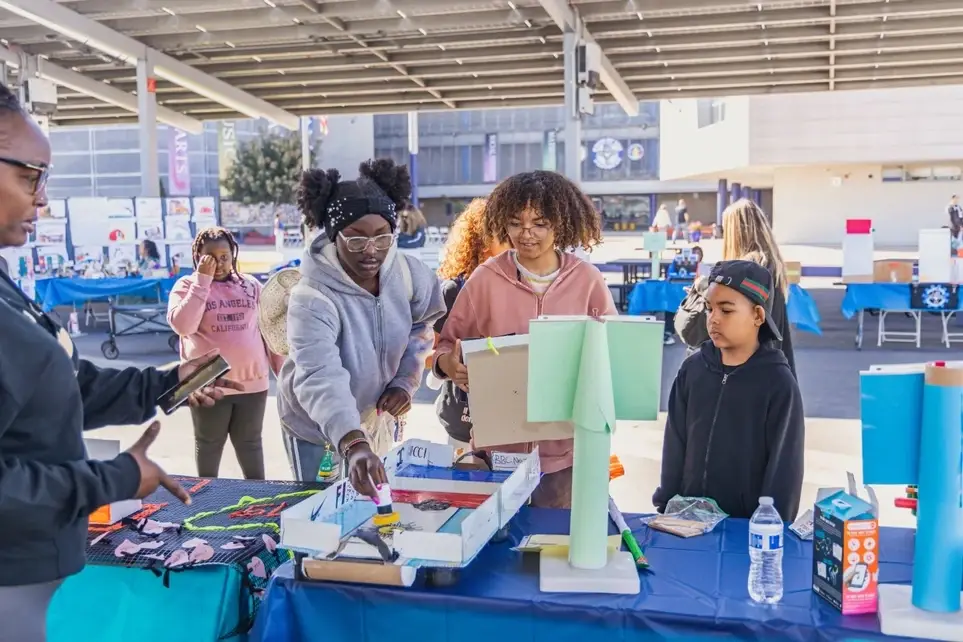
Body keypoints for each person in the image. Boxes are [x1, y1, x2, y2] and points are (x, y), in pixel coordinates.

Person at [0, 82, 239, 642]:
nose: (42, 199)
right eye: (30, 176)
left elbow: (58, 390)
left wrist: (161, 384)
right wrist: (111, 478)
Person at [432, 170, 616, 509]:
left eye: (540, 224)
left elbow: (614, 354)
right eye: (516, 223)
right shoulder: (484, 279)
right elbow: (445, 344)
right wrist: (449, 364)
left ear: (561, 223)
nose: (526, 234)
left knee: (555, 548)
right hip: (497, 452)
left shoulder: (587, 280)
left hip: (566, 454)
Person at [276, 159, 446, 495]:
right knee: (316, 513)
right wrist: (352, 442)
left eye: (382, 238)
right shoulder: (312, 297)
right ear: (333, 235)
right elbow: (319, 375)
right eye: (355, 240)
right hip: (316, 429)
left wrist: (403, 382)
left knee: (370, 508)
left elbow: (421, 326)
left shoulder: (409, 275)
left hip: (374, 419)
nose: (371, 251)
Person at [653, 260, 805, 521]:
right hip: (688, 523)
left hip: (746, 529)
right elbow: (675, 443)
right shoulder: (693, 370)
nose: (713, 319)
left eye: (726, 310)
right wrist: (667, 502)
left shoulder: (777, 382)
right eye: (709, 308)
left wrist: (773, 525)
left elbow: (785, 467)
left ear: (758, 315)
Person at [167, 226, 283, 480]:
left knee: (251, 445)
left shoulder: (251, 285)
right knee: (209, 445)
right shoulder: (186, 285)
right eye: (210, 258)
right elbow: (183, 326)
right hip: (206, 384)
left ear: (233, 255)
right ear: (197, 257)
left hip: (252, 385)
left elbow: (268, 331)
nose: (218, 264)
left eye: (224, 257)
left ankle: (259, 501)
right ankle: (207, 502)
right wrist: (202, 281)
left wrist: (283, 373)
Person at [674, 199, 796, 377]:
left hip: (744, 366)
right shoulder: (772, 263)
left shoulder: (747, 268)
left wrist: (702, 288)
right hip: (769, 362)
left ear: (735, 231)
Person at [432, 198, 510, 458]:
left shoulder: (523, 289)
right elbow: (431, 354)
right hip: (463, 419)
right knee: (466, 492)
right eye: (504, 234)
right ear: (481, 241)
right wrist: (449, 365)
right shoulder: (455, 290)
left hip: (511, 419)